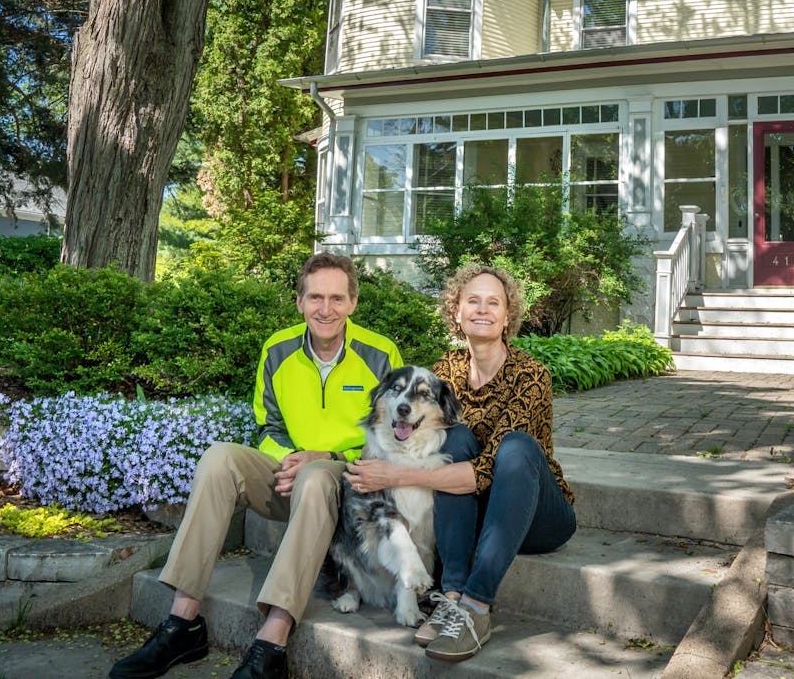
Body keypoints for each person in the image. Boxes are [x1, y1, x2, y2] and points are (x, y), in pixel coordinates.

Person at [110, 252, 403, 679]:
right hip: (290, 478)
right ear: (300, 301)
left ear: (353, 303)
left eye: (337, 298)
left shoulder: (380, 354)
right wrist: (290, 462)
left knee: (319, 476)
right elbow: (269, 426)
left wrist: (328, 458)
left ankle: (272, 641)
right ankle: (183, 622)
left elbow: (391, 439)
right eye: (316, 297)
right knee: (219, 458)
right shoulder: (278, 349)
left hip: (349, 484)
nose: (326, 309)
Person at [344, 264, 576, 663]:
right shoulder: (445, 372)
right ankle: (450, 596)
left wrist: (395, 474)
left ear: (507, 315)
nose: (482, 309)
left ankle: (475, 606)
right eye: (472, 300)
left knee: (516, 448)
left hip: (537, 512)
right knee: (455, 438)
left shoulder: (530, 375)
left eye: (493, 302)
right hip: (483, 510)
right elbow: (425, 442)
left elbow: (484, 470)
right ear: (457, 311)